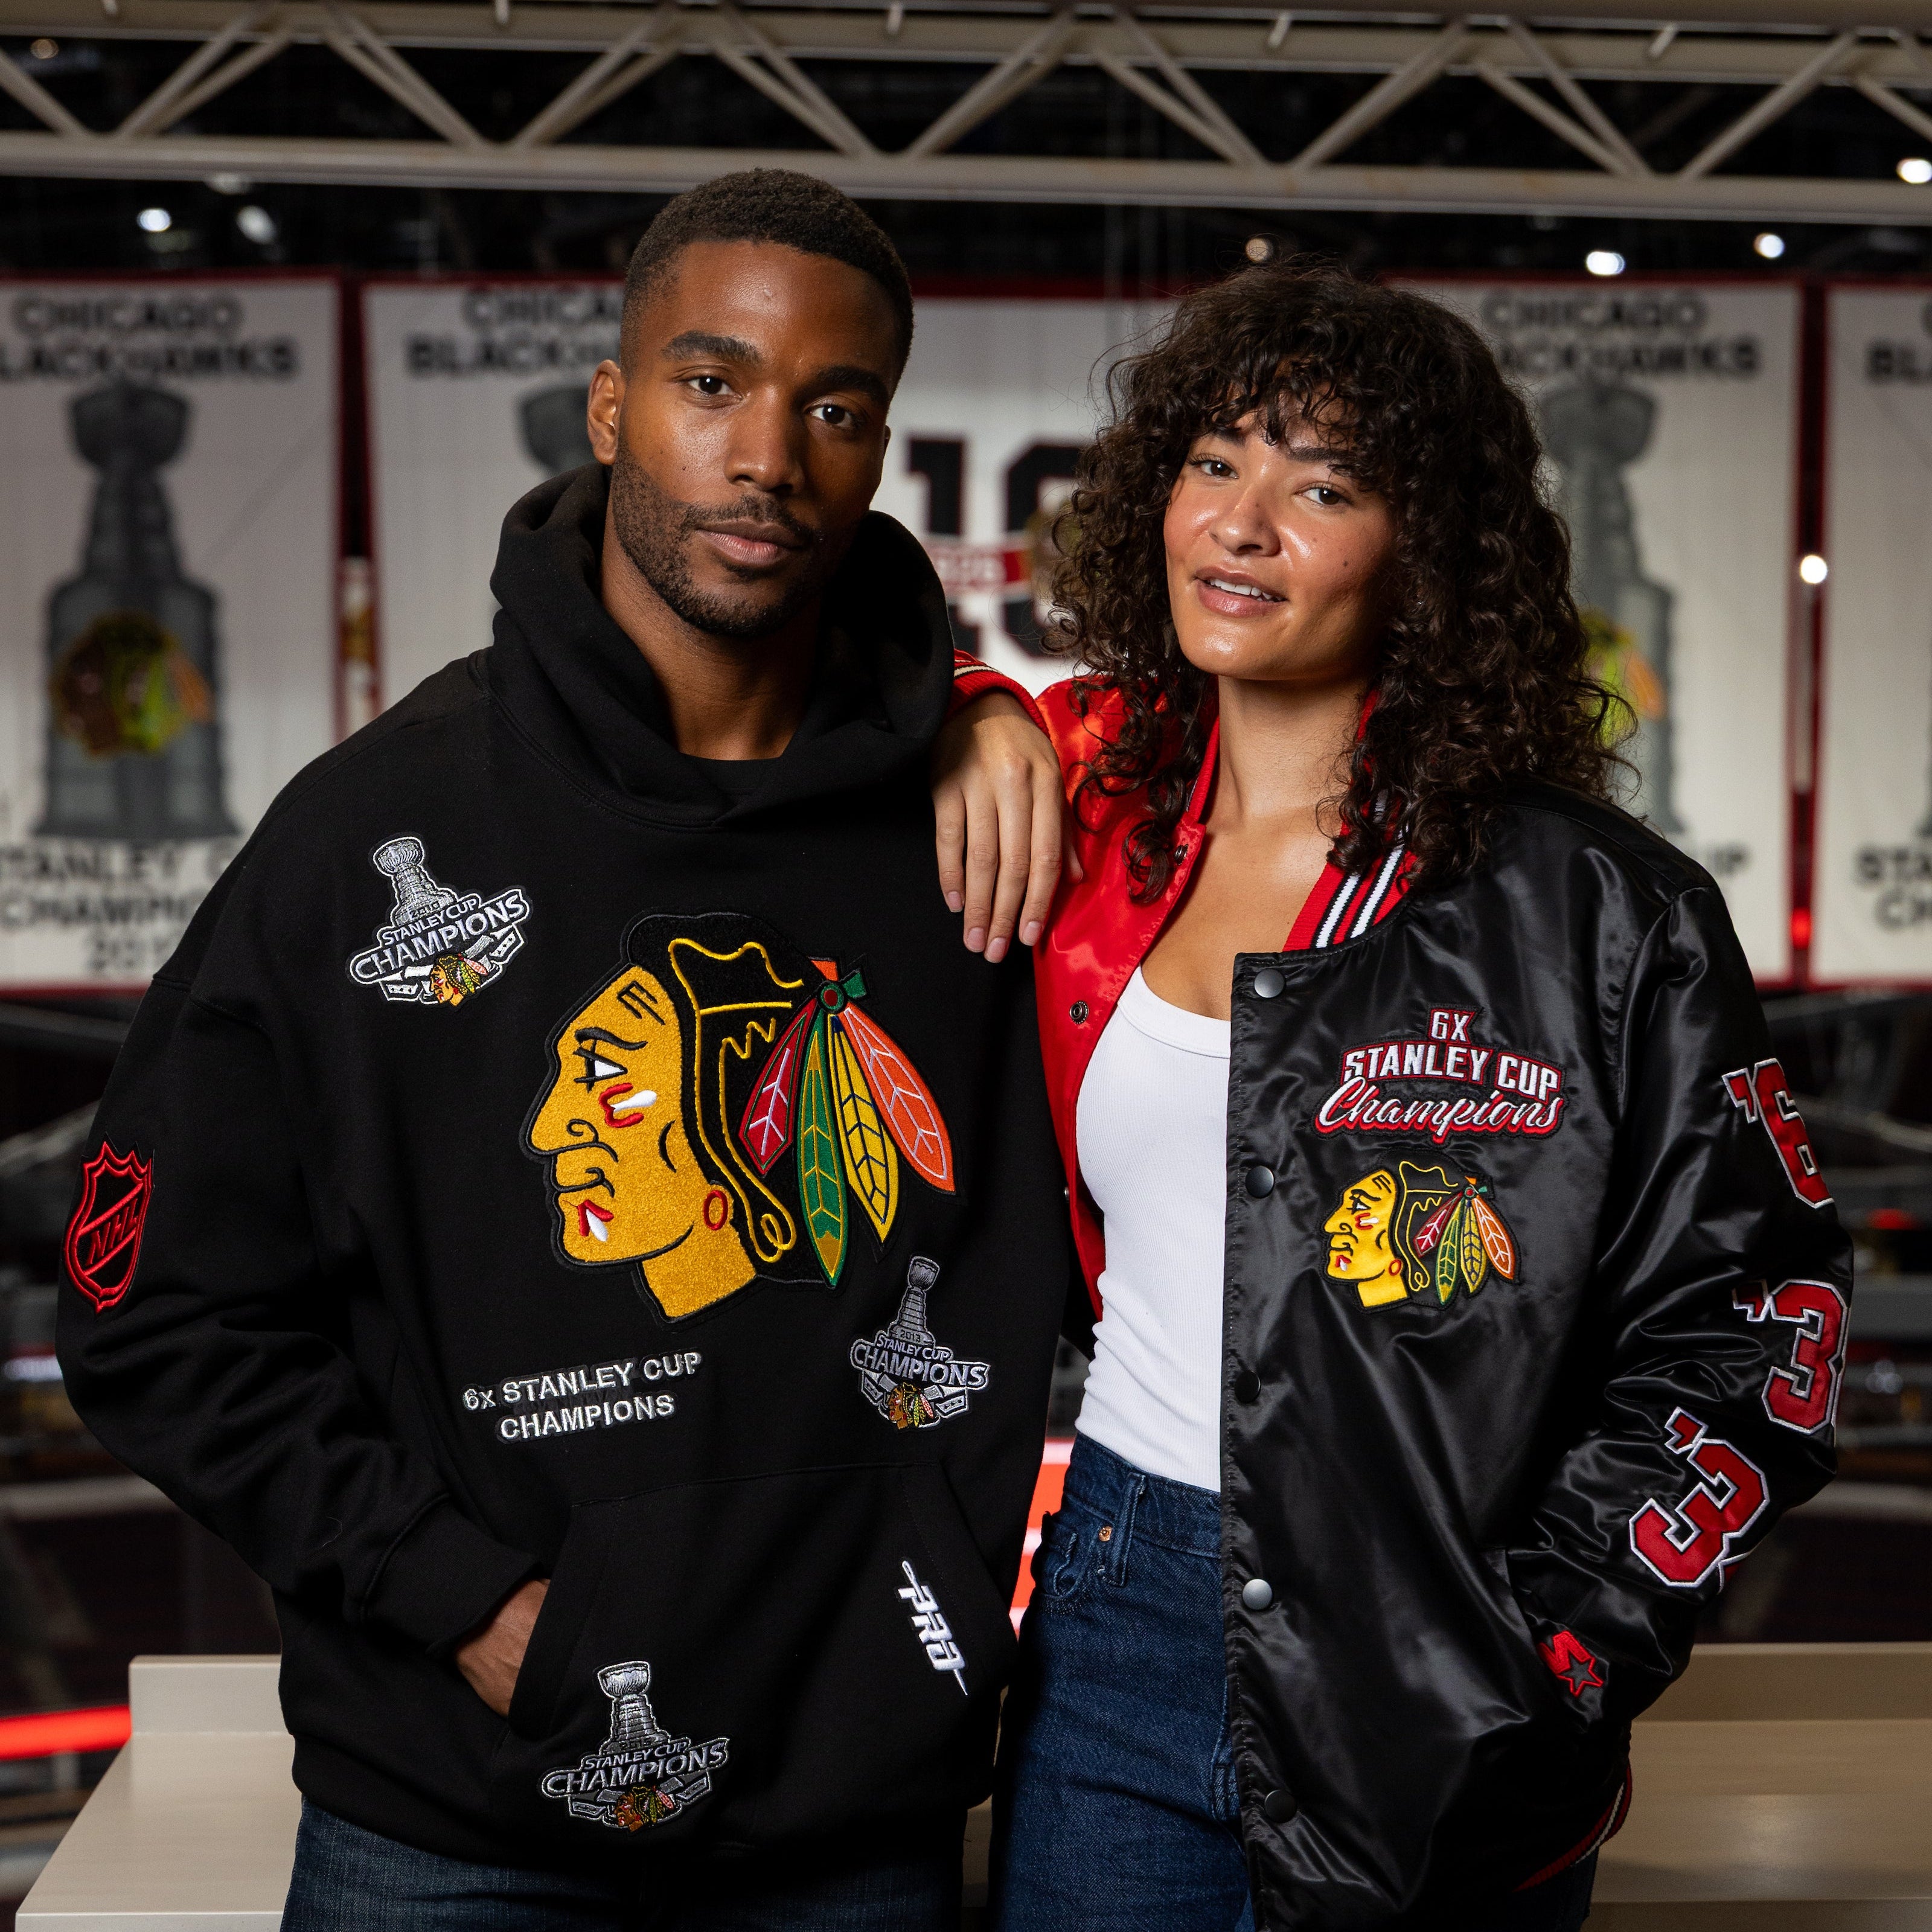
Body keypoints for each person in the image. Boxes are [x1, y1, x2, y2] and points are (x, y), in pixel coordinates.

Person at [56, 170, 1074, 1931]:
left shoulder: (976, 843)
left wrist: (994, 713)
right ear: (611, 408)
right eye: (711, 383)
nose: (768, 456)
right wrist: (449, 1592)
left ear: (878, 452)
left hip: (853, 1825)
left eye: (834, 409)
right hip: (450, 1837)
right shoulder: (369, 833)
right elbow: (152, 1308)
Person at [933, 261, 1852, 1930]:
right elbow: (814, 692)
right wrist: (974, 708)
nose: (1242, 523)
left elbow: (1759, 1331)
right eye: (1215, 462)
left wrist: (1552, 1652)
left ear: (1428, 551)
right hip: (1119, 1606)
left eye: (1325, 486)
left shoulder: (1598, 910)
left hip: (1436, 1631)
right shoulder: (1094, 815)